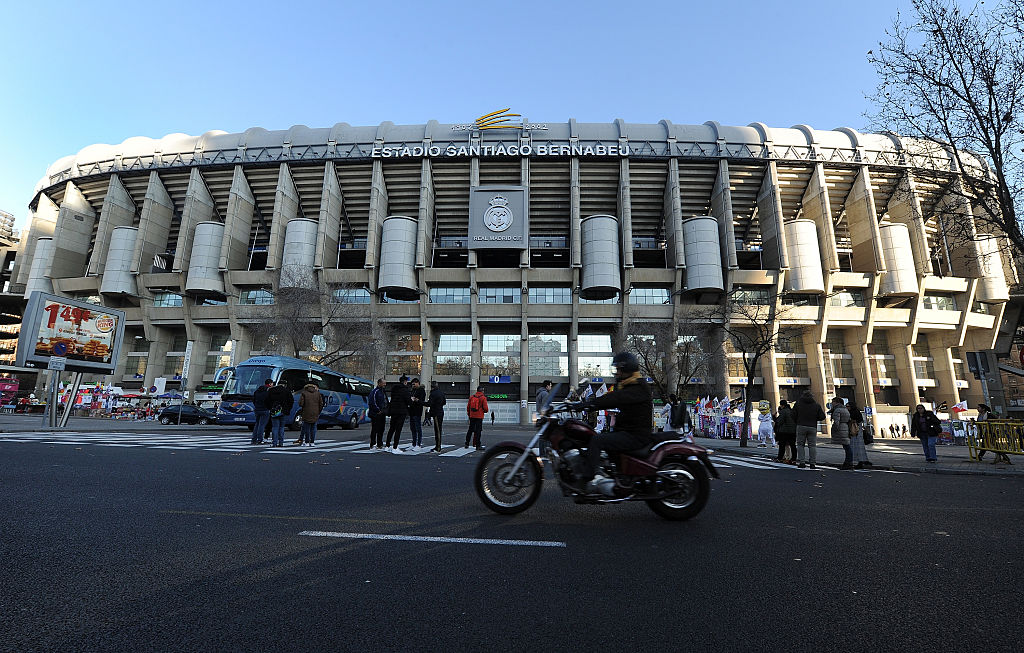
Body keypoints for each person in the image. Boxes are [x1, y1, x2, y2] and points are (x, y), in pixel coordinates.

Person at [577, 352, 656, 496]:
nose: (617, 372)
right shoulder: (630, 385)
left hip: (635, 435)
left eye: (619, 369)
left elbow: (615, 398)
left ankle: (591, 478)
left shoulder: (637, 387)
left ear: (627, 369)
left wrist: (588, 404)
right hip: (628, 432)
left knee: (597, 440)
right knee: (596, 437)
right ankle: (610, 473)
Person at [793, 390, 826, 469]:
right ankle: (812, 463)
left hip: (801, 425)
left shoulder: (798, 404)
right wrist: (814, 418)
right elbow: (822, 417)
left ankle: (802, 462)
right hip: (812, 426)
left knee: (800, 445)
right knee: (812, 446)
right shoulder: (816, 405)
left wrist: (797, 420)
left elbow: (793, 414)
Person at [386, 376, 411, 451]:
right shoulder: (405, 390)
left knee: (391, 428)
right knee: (398, 429)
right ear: (405, 382)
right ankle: (395, 446)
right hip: (401, 411)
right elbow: (408, 401)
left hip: (393, 410)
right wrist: (411, 400)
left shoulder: (394, 389)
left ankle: (387, 445)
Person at [266, 380, 293, 447]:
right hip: (283, 411)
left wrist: (270, 408)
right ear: (285, 385)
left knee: (275, 427)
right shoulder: (286, 391)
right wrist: (288, 409)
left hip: (274, 411)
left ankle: (274, 443)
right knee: (281, 427)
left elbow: (266, 400)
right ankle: (281, 442)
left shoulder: (271, 390)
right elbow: (291, 401)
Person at [298, 381, 325, 446]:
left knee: (307, 427)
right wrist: (318, 411)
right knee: (313, 428)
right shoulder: (317, 393)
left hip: (306, 412)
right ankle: (312, 442)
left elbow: (301, 403)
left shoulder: (304, 393)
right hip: (315, 412)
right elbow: (321, 404)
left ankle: (307, 442)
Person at [847, 399, 873, 469]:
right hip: (858, 432)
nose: (847, 407)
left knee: (855, 447)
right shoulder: (857, 412)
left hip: (855, 432)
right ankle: (863, 460)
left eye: (848, 406)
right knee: (860, 447)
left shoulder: (852, 413)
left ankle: (859, 461)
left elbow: (853, 421)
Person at [830, 397, 853, 469]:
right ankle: (848, 462)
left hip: (841, 429)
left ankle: (848, 462)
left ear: (837, 402)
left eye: (833, 402)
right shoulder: (845, 409)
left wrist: (834, 430)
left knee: (846, 446)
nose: (832, 403)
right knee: (847, 446)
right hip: (845, 428)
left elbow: (836, 421)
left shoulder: (837, 410)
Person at [368, 379, 388, 449]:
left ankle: (379, 443)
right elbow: (372, 402)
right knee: (375, 429)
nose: (385, 385)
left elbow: (385, 402)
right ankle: (373, 443)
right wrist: (377, 410)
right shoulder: (375, 391)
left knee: (381, 429)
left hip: (382, 413)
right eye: (383, 383)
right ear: (379, 383)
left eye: (385, 383)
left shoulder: (383, 391)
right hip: (376, 414)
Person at [251, 378, 273, 445]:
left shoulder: (257, 391)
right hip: (265, 409)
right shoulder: (268, 391)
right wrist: (269, 408)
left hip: (257, 409)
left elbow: (254, 400)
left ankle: (254, 439)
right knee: (262, 425)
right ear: (269, 384)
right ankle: (260, 439)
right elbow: (269, 401)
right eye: (272, 384)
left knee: (257, 424)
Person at [427, 381, 447, 452]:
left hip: (436, 412)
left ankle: (438, 447)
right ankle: (437, 446)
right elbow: (444, 402)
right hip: (440, 411)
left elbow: (429, 404)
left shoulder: (433, 394)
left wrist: (419, 402)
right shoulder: (441, 393)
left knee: (437, 430)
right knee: (438, 429)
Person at [408, 378, 425, 450]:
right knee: (413, 428)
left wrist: (416, 400)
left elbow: (422, 401)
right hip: (411, 411)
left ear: (417, 383)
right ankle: (414, 443)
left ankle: (418, 444)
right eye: (412, 384)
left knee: (418, 428)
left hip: (417, 411)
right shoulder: (413, 390)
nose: (413, 385)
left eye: (414, 384)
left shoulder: (421, 391)